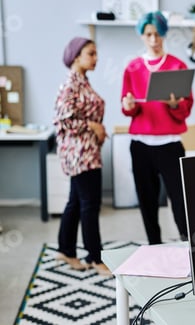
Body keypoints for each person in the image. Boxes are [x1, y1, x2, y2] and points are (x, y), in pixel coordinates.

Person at [121, 11, 194, 244]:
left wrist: (175, 104)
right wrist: (128, 105)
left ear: (164, 35)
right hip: (140, 145)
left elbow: (186, 107)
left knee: (180, 199)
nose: (153, 39)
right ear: (142, 36)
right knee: (147, 200)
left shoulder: (177, 65)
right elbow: (127, 108)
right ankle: (154, 245)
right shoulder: (132, 68)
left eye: (158, 34)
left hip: (170, 145)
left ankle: (188, 244)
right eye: (148, 34)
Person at [54, 37, 110, 275]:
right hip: (80, 154)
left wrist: (96, 129)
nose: (96, 58)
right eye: (91, 53)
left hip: (87, 151)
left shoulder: (83, 82)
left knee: (76, 202)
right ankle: (95, 258)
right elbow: (62, 120)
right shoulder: (71, 84)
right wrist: (92, 127)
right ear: (76, 56)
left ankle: (66, 250)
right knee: (90, 204)